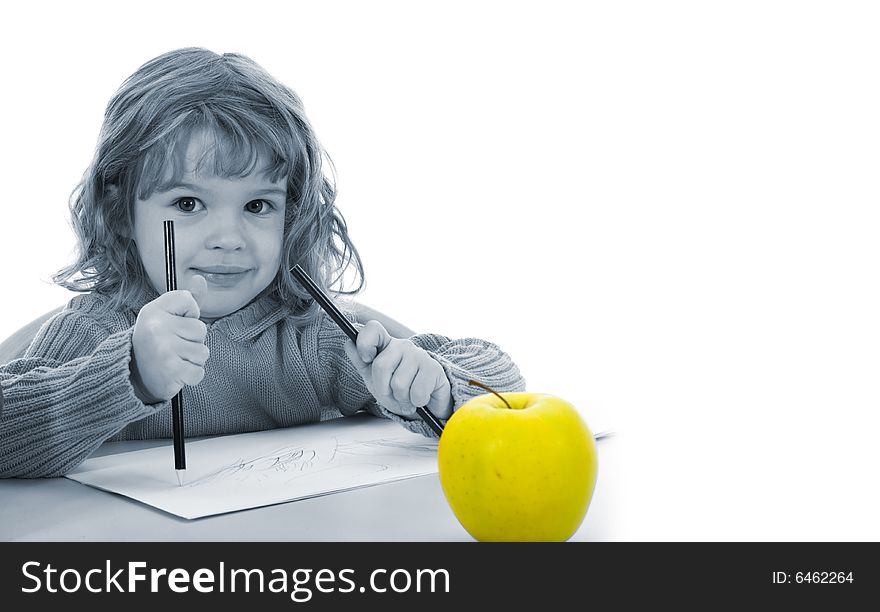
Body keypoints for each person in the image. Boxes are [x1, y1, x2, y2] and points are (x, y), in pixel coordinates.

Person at [0, 48, 525, 479]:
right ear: (119, 213)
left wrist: (432, 385)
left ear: (290, 214)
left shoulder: (306, 335)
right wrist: (130, 375)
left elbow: (503, 382)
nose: (229, 239)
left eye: (257, 206)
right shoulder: (92, 331)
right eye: (188, 204)